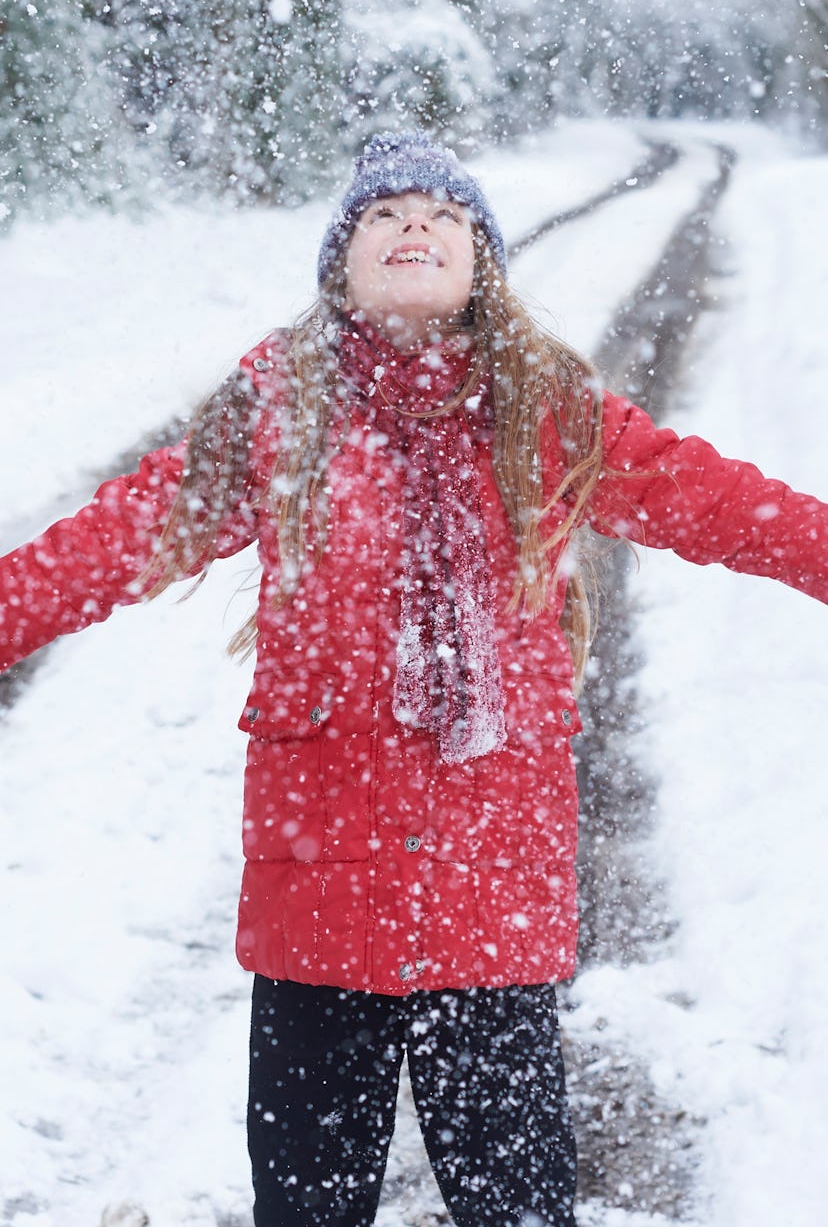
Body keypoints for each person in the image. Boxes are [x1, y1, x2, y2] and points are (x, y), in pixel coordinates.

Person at [1, 131, 826, 1227]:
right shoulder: (277, 415)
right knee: (307, 1207)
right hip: (317, 900)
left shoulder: (551, 413)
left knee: (519, 1206)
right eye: (382, 214)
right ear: (339, 265)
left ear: (482, 261)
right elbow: (120, 535)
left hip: (496, 899)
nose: (412, 227)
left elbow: (721, 504)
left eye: (442, 214)